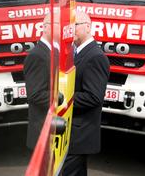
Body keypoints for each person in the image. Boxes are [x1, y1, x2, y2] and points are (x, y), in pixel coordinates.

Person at [62, 11, 110, 176]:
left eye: (75, 25)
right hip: (72, 133)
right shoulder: (77, 53)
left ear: (88, 27)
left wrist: (62, 98)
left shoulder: (95, 57)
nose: (71, 29)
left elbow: (94, 97)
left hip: (80, 134)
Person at [24, 14, 53, 150]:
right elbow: (36, 95)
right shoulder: (38, 55)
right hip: (41, 133)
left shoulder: (50, 52)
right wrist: (62, 96)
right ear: (45, 28)